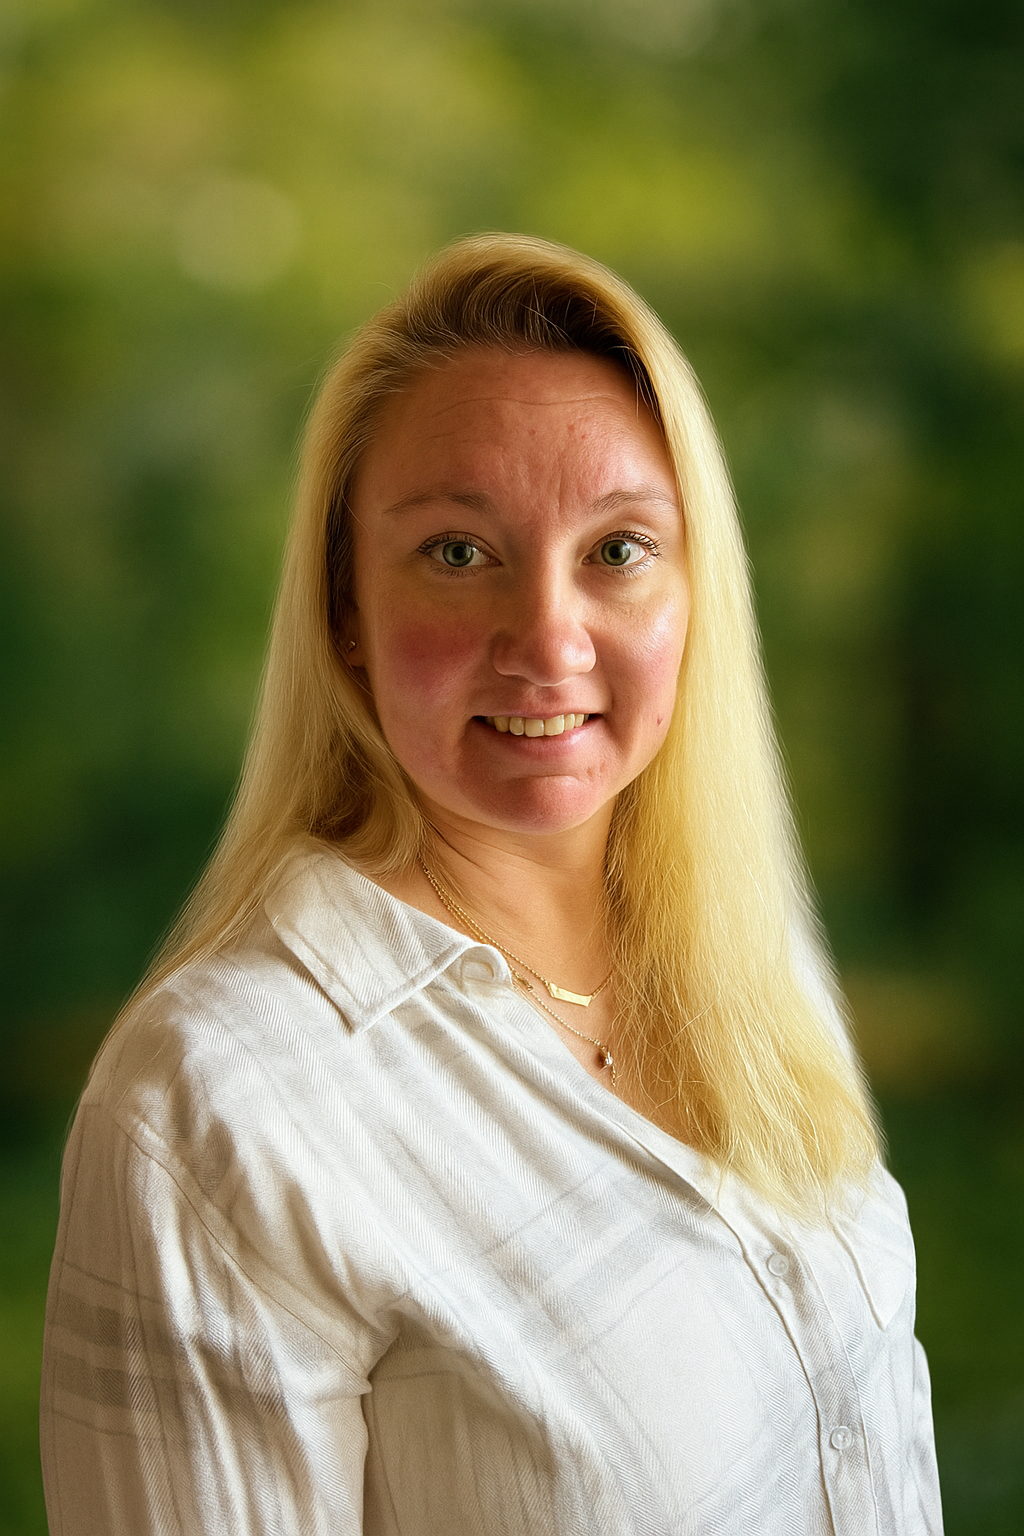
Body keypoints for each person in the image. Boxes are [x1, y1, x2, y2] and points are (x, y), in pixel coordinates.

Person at [40, 233, 942, 1535]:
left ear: (698, 591)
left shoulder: (759, 970)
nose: (549, 640)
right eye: (459, 553)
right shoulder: (223, 1101)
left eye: (619, 550)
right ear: (344, 610)